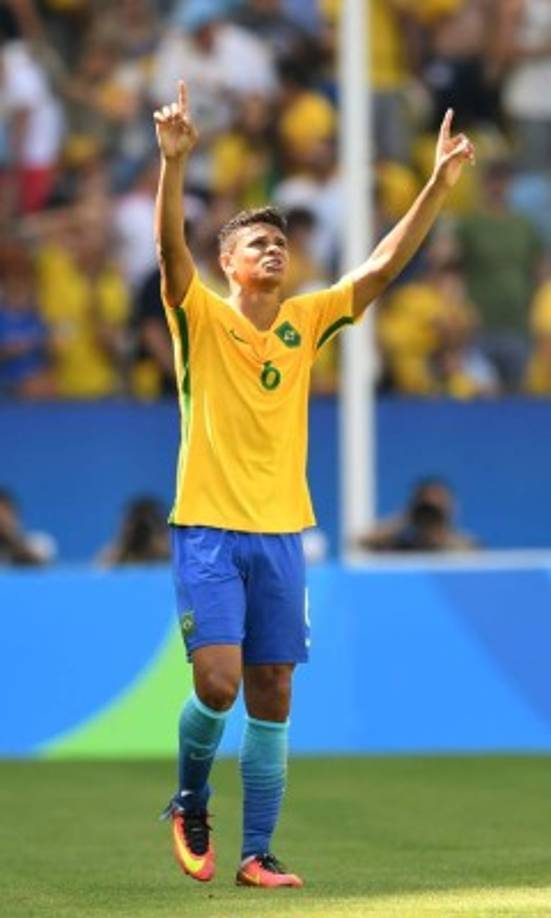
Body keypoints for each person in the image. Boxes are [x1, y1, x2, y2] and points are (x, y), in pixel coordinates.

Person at [154, 81, 474, 888]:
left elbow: (379, 266)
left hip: (281, 532)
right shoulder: (198, 316)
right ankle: (190, 799)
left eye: (278, 243)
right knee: (217, 681)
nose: (272, 250)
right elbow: (168, 255)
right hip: (208, 529)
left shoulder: (304, 322)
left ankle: (257, 853)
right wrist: (173, 165)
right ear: (226, 264)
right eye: (255, 243)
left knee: (271, 693)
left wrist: (435, 184)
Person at [355, 478, 479, 553]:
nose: (432, 511)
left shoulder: (465, 544)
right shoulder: (402, 546)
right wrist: (407, 517)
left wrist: (439, 536)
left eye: (440, 501)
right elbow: (361, 541)